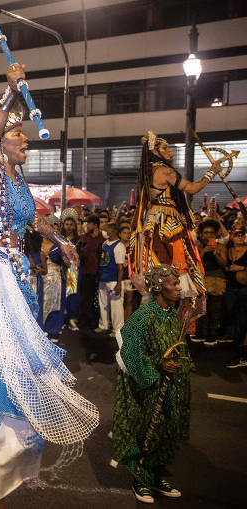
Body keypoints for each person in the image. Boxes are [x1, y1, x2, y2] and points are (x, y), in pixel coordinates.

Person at [0, 62, 98, 504]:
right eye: (18, 134)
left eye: (23, 133)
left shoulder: (16, 179)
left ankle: (4, 468)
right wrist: (10, 95)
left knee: (18, 369)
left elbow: (35, 220)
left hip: (14, 277)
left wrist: (61, 239)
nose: (25, 139)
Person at [111, 264, 191, 504]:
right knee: (145, 433)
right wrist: (158, 365)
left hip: (168, 386)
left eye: (178, 283)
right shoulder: (142, 316)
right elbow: (130, 353)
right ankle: (140, 480)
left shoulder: (171, 315)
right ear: (157, 288)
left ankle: (156, 476)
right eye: (173, 284)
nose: (179, 288)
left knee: (164, 433)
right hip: (147, 387)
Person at [129, 130, 218, 325]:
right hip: (167, 228)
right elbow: (192, 188)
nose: (170, 151)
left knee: (160, 285)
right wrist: (212, 172)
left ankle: (154, 330)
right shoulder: (164, 171)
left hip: (154, 227)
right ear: (155, 151)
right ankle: (164, 332)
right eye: (166, 148)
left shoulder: (148, 171)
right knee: (173, 282)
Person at [96, 223, 126, 337]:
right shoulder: (105, 244)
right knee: (103, 303)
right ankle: (103, 325)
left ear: (113, 231)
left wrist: (118, 284)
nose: (104, 231)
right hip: (103, 279)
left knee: (116, 305)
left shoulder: (119, 247)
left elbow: (120, 268)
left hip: (113, 280)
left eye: (106, 230)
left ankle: (117, 329)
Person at [224, 227, 247, 368]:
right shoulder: (228, 250)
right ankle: (237, 348)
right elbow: (223, 265)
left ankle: (241, 354)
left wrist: (243, 268)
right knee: (232, 316)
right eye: (237, 235)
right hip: (231, 288)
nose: (240, 237)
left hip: (244, 289)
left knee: (244, 320)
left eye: (242, 235)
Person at [78, 215, 103, 329]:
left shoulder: (102, 239)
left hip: (98, 273)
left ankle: (94, 321)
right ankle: (83, 322)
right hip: (85, 272)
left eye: (89, 224)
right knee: (84, 298)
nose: (87, 226)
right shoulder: (84, 238)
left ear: (95, 225)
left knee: (96, 300)